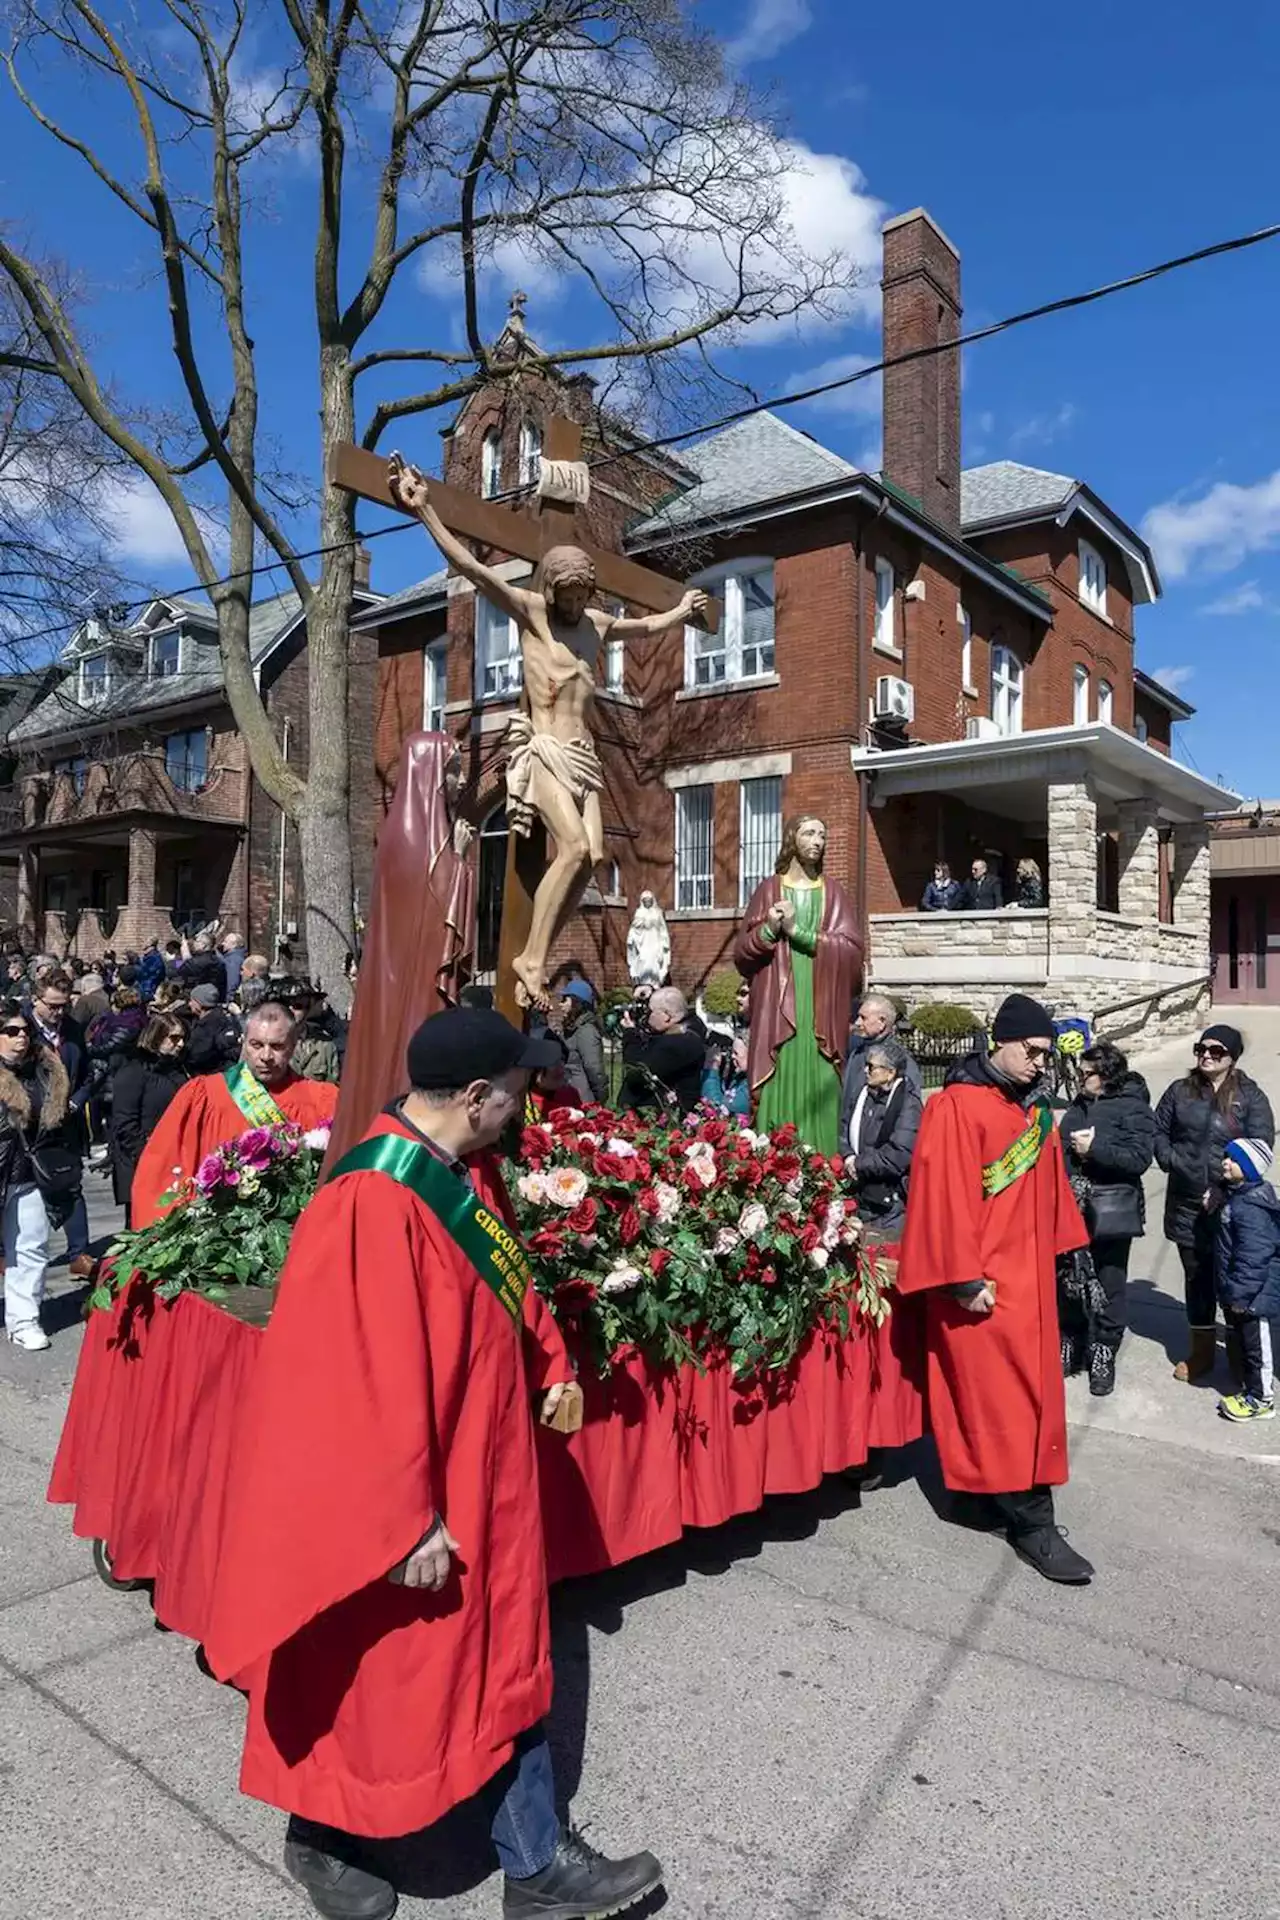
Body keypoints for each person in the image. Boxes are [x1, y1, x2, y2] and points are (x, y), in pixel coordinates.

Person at [203, 1006, 663, 1920]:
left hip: (487, 1477)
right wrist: (406, 1516)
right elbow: (349, 1381)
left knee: (508, 1661)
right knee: (370, 1675)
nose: (529, 1103)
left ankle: (536, 1863)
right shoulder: (371, 1202)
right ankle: (324, 1836)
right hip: (411, 1496)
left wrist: (547, 1363)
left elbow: (505, 1281)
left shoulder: (463, 1171)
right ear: (479, 1096)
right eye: (520, 1090)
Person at [896, 994, 1094, 1584]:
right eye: (1031, 1052)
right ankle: (1034, 1523)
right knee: (1006, 1402)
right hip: (983, 1288)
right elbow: (941, 1196)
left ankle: (978, 1497)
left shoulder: (1028, 1109)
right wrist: (960, 1279)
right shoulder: (956, 1106)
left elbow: (1050, 1189)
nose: (1040, 1063)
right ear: (999, 1041)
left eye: (1045, 1054)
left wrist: (1069, 1259)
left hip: (1030, 1284)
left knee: (1020, 1397)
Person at [324, 733, 475, 1170]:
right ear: (429, 773)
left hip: (406, 978)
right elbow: (431, 917)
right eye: (453, 769)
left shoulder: (428, 831)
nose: (461, 780)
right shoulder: (414, 835)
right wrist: (461, 861)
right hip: (406, 983)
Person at [130, 1002, 339, 1229]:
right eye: (256, 1045)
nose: (266, 1056)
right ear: (243, 1041)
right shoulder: (204, 1095)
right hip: (217, 1239)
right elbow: (162, 1168)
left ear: (293, 1045)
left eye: (277, 1046)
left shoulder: (322, 1101)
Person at [734, 814, 864, 1154]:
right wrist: (768, 931)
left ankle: (822, 1174)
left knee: (820, 1083)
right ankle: (774, 1169)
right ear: (793, 838)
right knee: (778, 1080)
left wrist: (798, 933)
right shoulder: (768, 889)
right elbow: (742, 955)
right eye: (809, 833)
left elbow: (852, 953)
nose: (818, 841)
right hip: (778, 1009)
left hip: (820, 1009)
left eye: (823, 834)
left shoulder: (833, 892)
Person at [1154, 1024, 1275, 1384]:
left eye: (1217, 1051)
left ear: (1232, 1058)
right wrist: (1173, 1160)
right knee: (1197, 1278)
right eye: (1201, 1048)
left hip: (1232, 1207)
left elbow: (1262, 1146)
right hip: (1186, 1204)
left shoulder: (1251, 1097)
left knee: (1232, 1279)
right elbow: (1158, 1131)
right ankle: (1203, 1350)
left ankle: (1240, 1355)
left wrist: (1227, 1187)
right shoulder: (1180, 1091)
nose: (1206, 1055)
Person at [1057, 1042, 1155, 1395]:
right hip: (1072, 1207)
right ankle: (1071, 1340)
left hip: (1112, 1209)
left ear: (1108, 1074)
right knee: (1068, 1276)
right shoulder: (1080, 1104)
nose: (1081, 1079)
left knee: (1109, 1281)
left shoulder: (1134, 1107)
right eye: (1080, 1073)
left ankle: (1103, 1350)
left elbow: (1139, 1158)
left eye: (1088, 1074)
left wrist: (1094, 1150)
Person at [0, 1004, 68, 1353]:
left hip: (30, 1174)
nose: (21, 1037)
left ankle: (24, 1319)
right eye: (11, 1032)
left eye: (25, 1030)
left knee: (31, 1248)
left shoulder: (45, 1070)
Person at [30, 969, 95, 1281]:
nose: (58, 1013)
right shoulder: (20, 1030)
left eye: (63, 1006)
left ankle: (78, 1253)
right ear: (35, 999)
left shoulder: (72, 1029)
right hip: (27, 1125)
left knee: (71, 1184)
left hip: (65, 1122)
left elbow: (88, 1074)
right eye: (52, 1006)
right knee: (20, 1189)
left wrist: (75, 1100)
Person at [1214, 1139, 1280, 1422]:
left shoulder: (1251, 1208)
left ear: (1251, 1169)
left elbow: (1253, 1258)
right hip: (1246, 1290)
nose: (1225, 1162)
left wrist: (1240, 1295)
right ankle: (1254, 1390)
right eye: (1226, 1157)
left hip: (1256, 1294)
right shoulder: (1240, 1195)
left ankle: (1263, 1399)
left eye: (1234, 1160)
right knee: (1249, 1344)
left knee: (1258, 1348)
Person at [107, 1013, 188, 1226]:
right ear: (156, 1037)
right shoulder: (133, 1071)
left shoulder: (177, 1069)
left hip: (174, 1161)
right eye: (174, 1038)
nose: (181, 1044)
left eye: (182, 1038)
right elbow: (125, 1123)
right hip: (141, 1161)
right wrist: (148, 1156)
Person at [844, 1037, 923, 1243]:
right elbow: (843, 1128)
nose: (865, 1071)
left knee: (884, 1259)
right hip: (859, 1194)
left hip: (890, 1204)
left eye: (872, 1067)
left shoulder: (908, 1105)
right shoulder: (862, 1095)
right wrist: (847, 1157)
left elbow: (897, 1155)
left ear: (891, 1072)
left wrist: (858, 1164)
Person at [841, 994, 923, 1133]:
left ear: (882, 1022)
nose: (858, 1022)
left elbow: (910, 1114)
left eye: (864, 1018)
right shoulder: (857, 1053)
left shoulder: (900, 1061)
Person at [618, 986, 705, 1114]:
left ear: (667, 1016)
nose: (647, 1016)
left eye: (651, 1011)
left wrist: (630, 1034)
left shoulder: (678, 1043)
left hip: (662, 1119)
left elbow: (637, 1070)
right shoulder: (688, 1029)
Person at [557, 977, 607, 1106]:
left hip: (583, 1101)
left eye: (564, 1000)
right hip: (568, 1096)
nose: (560, 1004)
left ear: (577, 1003)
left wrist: (600, 1098)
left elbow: (594, 1069)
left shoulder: (586, 1031)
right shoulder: (570, 1029)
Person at [184, 984, 243, 1075]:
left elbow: (196, 1057)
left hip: (210, 1077)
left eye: (192, 1000)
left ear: (199, 1004)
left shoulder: (206, 1030)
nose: (189, 1004)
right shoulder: (225, 1018)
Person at [290, 984, 343, 1085]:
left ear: (308, 1008)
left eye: (298, 1005)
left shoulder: (325, 1045)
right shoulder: (269, 1043)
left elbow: (331, 1087)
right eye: (285, 1004)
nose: (290, 1010)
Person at [626, 890, 671, 990]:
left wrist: (664, 942)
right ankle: (644, 982)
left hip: (655, 941)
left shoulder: (657, 912)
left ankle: (655, 983)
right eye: (645, 900)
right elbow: (634, 928)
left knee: (655, 961)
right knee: (643, 960)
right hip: (643, 942)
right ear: (642, 901)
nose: (647, 902)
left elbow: (662, 928)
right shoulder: (639, 913)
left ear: (652, 901)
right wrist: (631, 937)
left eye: (649, 900)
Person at [702, 1031, 751, 1116]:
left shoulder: (751, 1086)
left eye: (736, 1053)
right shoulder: (742, 1078)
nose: (732, 1056)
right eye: (731, 1052)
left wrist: (711, 1067)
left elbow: (718, 1111)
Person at [178, 931, 228, 1000]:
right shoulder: (216, 959)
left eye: (197, 941)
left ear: (203, 945)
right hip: (214, 996)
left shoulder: (201, 961)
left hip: (200, 999)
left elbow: (181, 969)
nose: (194, 943)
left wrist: (184, 953)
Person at [219, 929, 247, 1001]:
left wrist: (228, 998)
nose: (223, 944)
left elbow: (232, 981)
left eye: (226, 942)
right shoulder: (234, 957)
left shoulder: (233, 960)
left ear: (234, 945)